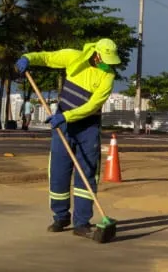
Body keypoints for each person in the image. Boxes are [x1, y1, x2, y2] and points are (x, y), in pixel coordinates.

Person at [15, 38, 121, 236]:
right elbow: (48, 58)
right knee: (59, 171)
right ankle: (60, 216)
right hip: (62, 124)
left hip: (87, 127)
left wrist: (65, 116)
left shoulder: (108, 76)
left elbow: (92, 106)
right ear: (96, 54)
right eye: (105, 59)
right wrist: (28, 58)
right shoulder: (74, 58)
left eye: (111, 61)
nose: (108, 63)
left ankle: (81, 222)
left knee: (86, 173)